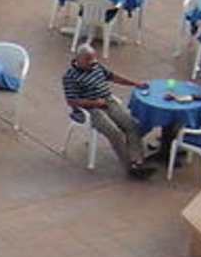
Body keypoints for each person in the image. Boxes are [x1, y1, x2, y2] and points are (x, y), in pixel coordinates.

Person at [63, 43, 155, 177]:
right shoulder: (70, 77)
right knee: (114, 133)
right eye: (88, 60)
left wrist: (135, 83)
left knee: (132, 125)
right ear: (78, 60)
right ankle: (130, 167)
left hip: (108, 101)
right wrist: (94, 103)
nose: (92, 63)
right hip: (92, 109)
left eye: (93, 59)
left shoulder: (96, 66)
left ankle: (138, 161)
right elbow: (72, 101)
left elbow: (113, 77)